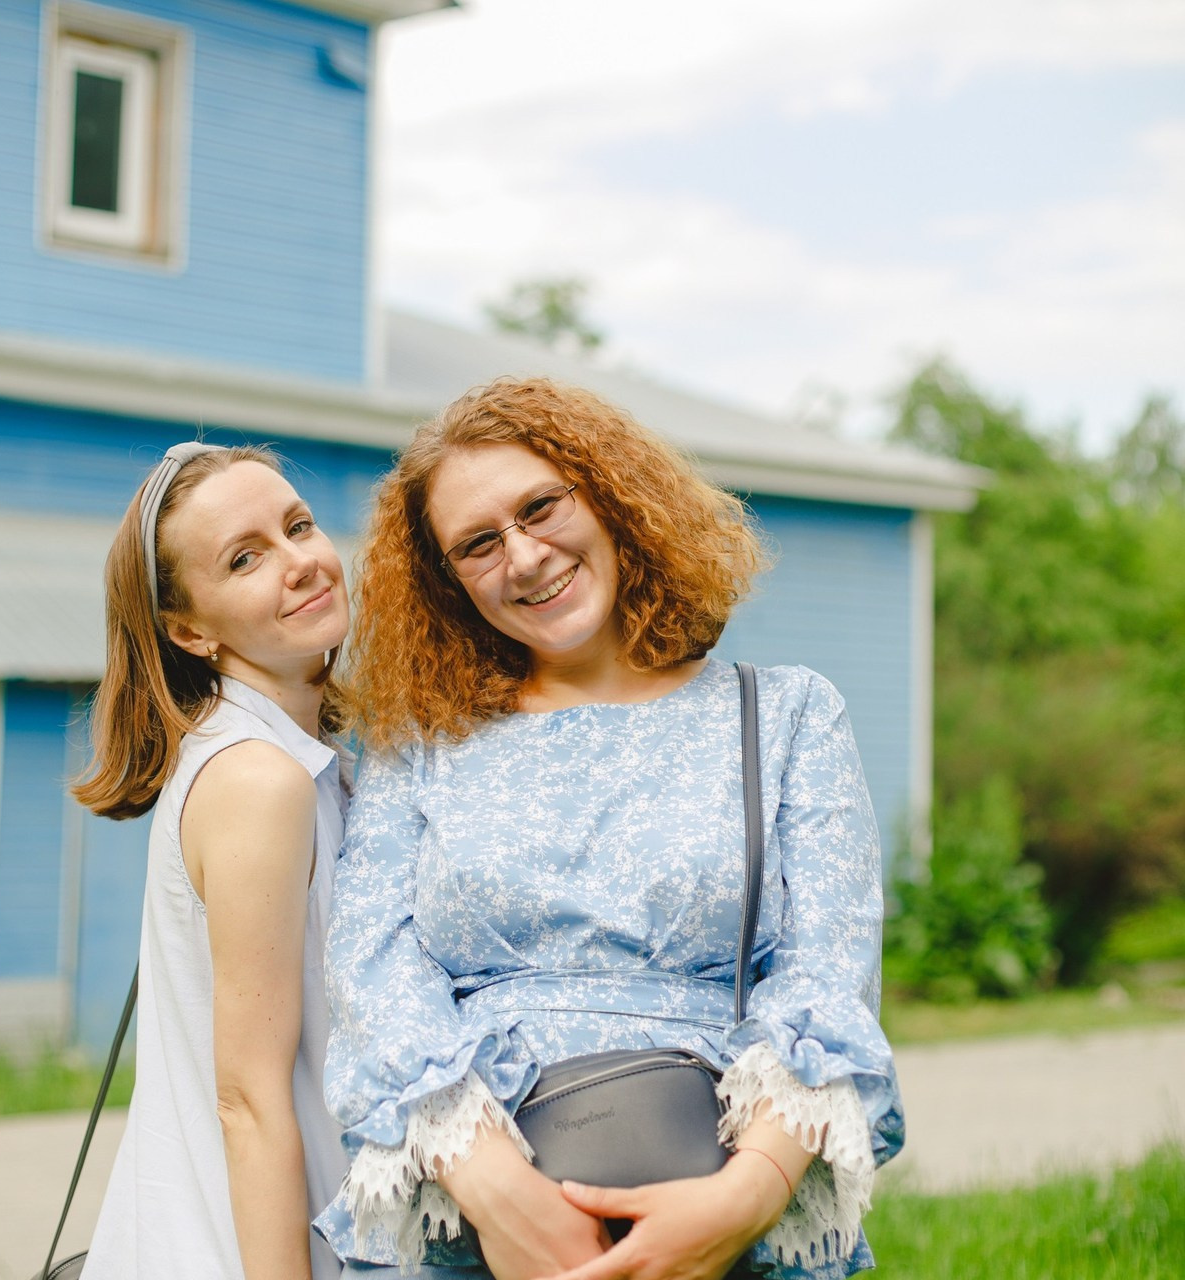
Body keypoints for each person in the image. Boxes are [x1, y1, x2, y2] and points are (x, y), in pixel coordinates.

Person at [318, 378, 905, 1280]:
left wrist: (739, 1201)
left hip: (733, 1202)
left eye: (541, 507)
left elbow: (830, 970)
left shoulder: (785, 715)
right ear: (449, 584)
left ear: (611, 496)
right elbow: (374, 965)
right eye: (478, 544)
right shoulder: (422, 744)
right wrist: (500, 1193)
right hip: (474, 1222)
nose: (523, 557)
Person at [74, 441, 350, 1280]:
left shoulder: (291, 758)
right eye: (245, 558)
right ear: (190, 629)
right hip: (229, 1253)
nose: (300, 563)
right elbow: (249, 1102)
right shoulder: (258, 780)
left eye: (297, 525)